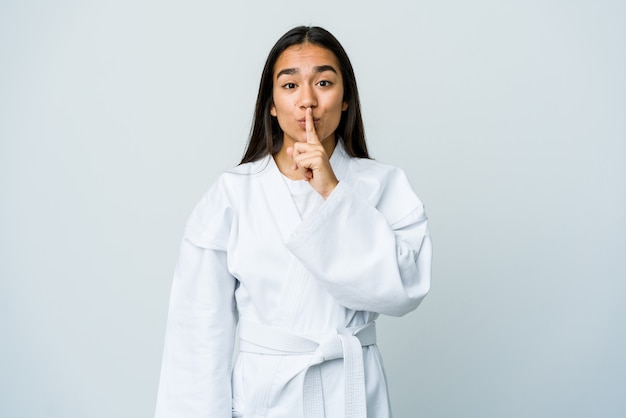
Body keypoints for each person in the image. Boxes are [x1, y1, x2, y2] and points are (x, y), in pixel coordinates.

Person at [155, 26, 432, 418]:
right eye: (289, 85)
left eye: (323, 82)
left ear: (347, 98)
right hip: (266, 399)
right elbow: (197, 335)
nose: (307, 101)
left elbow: (405, 288)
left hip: (350, 394)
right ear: (271, 103)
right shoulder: (232, 195)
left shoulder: (385, 185)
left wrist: (333, 192)